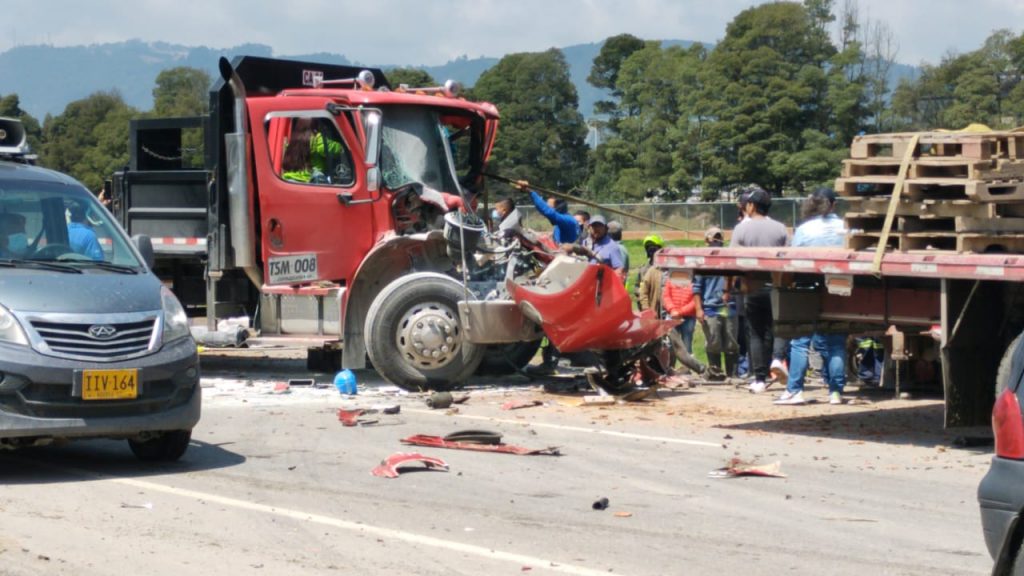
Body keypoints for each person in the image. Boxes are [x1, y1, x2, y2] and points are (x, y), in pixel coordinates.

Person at [774, 188, 849, 406]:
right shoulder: (846, 227)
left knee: (800, 342)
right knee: (836, 343)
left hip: (807, 286)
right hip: (839, 286)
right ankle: (836, 392)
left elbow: (792, 258)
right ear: (833, 205)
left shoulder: (805, 229)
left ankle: (794, 390)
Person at [731, 186, 788, 393]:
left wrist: (739, 284)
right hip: (775, 286)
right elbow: (787, 259)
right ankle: (778, 358)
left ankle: (759, 379)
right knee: (778, 327)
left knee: (755, 333)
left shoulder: (741, 229)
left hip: (752, 287)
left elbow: (734, 261)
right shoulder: (781, 228)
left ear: (752, 206)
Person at [693, 226, 739, 378]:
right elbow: (697, 288)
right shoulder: (702, 263)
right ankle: (716, 373)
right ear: (707, 241)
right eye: (714, 238)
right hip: (710, 307)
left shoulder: (730, 259)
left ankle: (732, 374)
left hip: (729, 306)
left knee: (731, 342)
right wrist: (699, 309)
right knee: (714, 342)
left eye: (719, 237)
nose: (716, 241)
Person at [663, 271, 697, 353]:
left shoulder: (695, 281)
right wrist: (672, 309)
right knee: (670, 345)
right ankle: (669, 365)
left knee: (687, 345)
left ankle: (687, 365)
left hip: (688, 317)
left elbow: (695, 300)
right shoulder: (670, 280)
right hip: (672, 315)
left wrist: (680, 312)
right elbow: (666, 296)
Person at [636, 234, 665, 313]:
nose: (651, 251)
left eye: (654, 248)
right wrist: (643, 306)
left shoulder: (666, 269)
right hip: (648, 309)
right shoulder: (643, 270)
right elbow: (638, 289)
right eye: (649, 248)